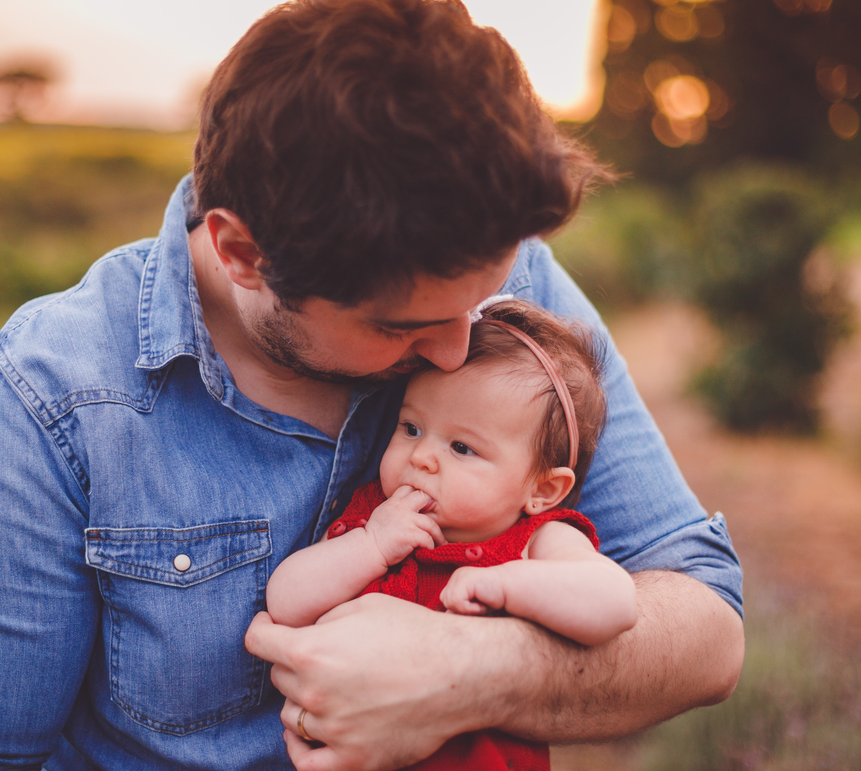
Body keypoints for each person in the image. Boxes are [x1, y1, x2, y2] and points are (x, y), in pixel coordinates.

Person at [0, 0, 744, 771]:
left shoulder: (497, 292)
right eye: (402, 327)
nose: (455, 350)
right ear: (243, 253)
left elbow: (706, 630)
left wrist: (472, 672)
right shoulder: (54, 395)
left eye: (475, 308)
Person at [266, 300, 639, 771]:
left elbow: (615, 602)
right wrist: (371, 545)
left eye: (462, 447)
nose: (421, 456)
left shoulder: (533, 542)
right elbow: (285, 600)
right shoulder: (376, 518)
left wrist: (508, 585)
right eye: (412, 427)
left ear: (543, 489)